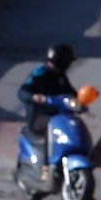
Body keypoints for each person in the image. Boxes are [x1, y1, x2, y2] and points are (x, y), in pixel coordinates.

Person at [18, 44, 80, 180]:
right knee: (51, 130)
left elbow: (70, 93)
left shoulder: (61, 76)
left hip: (59, 117)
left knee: (75, 126)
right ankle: (45, 167)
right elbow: (23, 91)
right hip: (39, 117)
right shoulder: (41, 73)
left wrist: (80, 100)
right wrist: (35, 97)